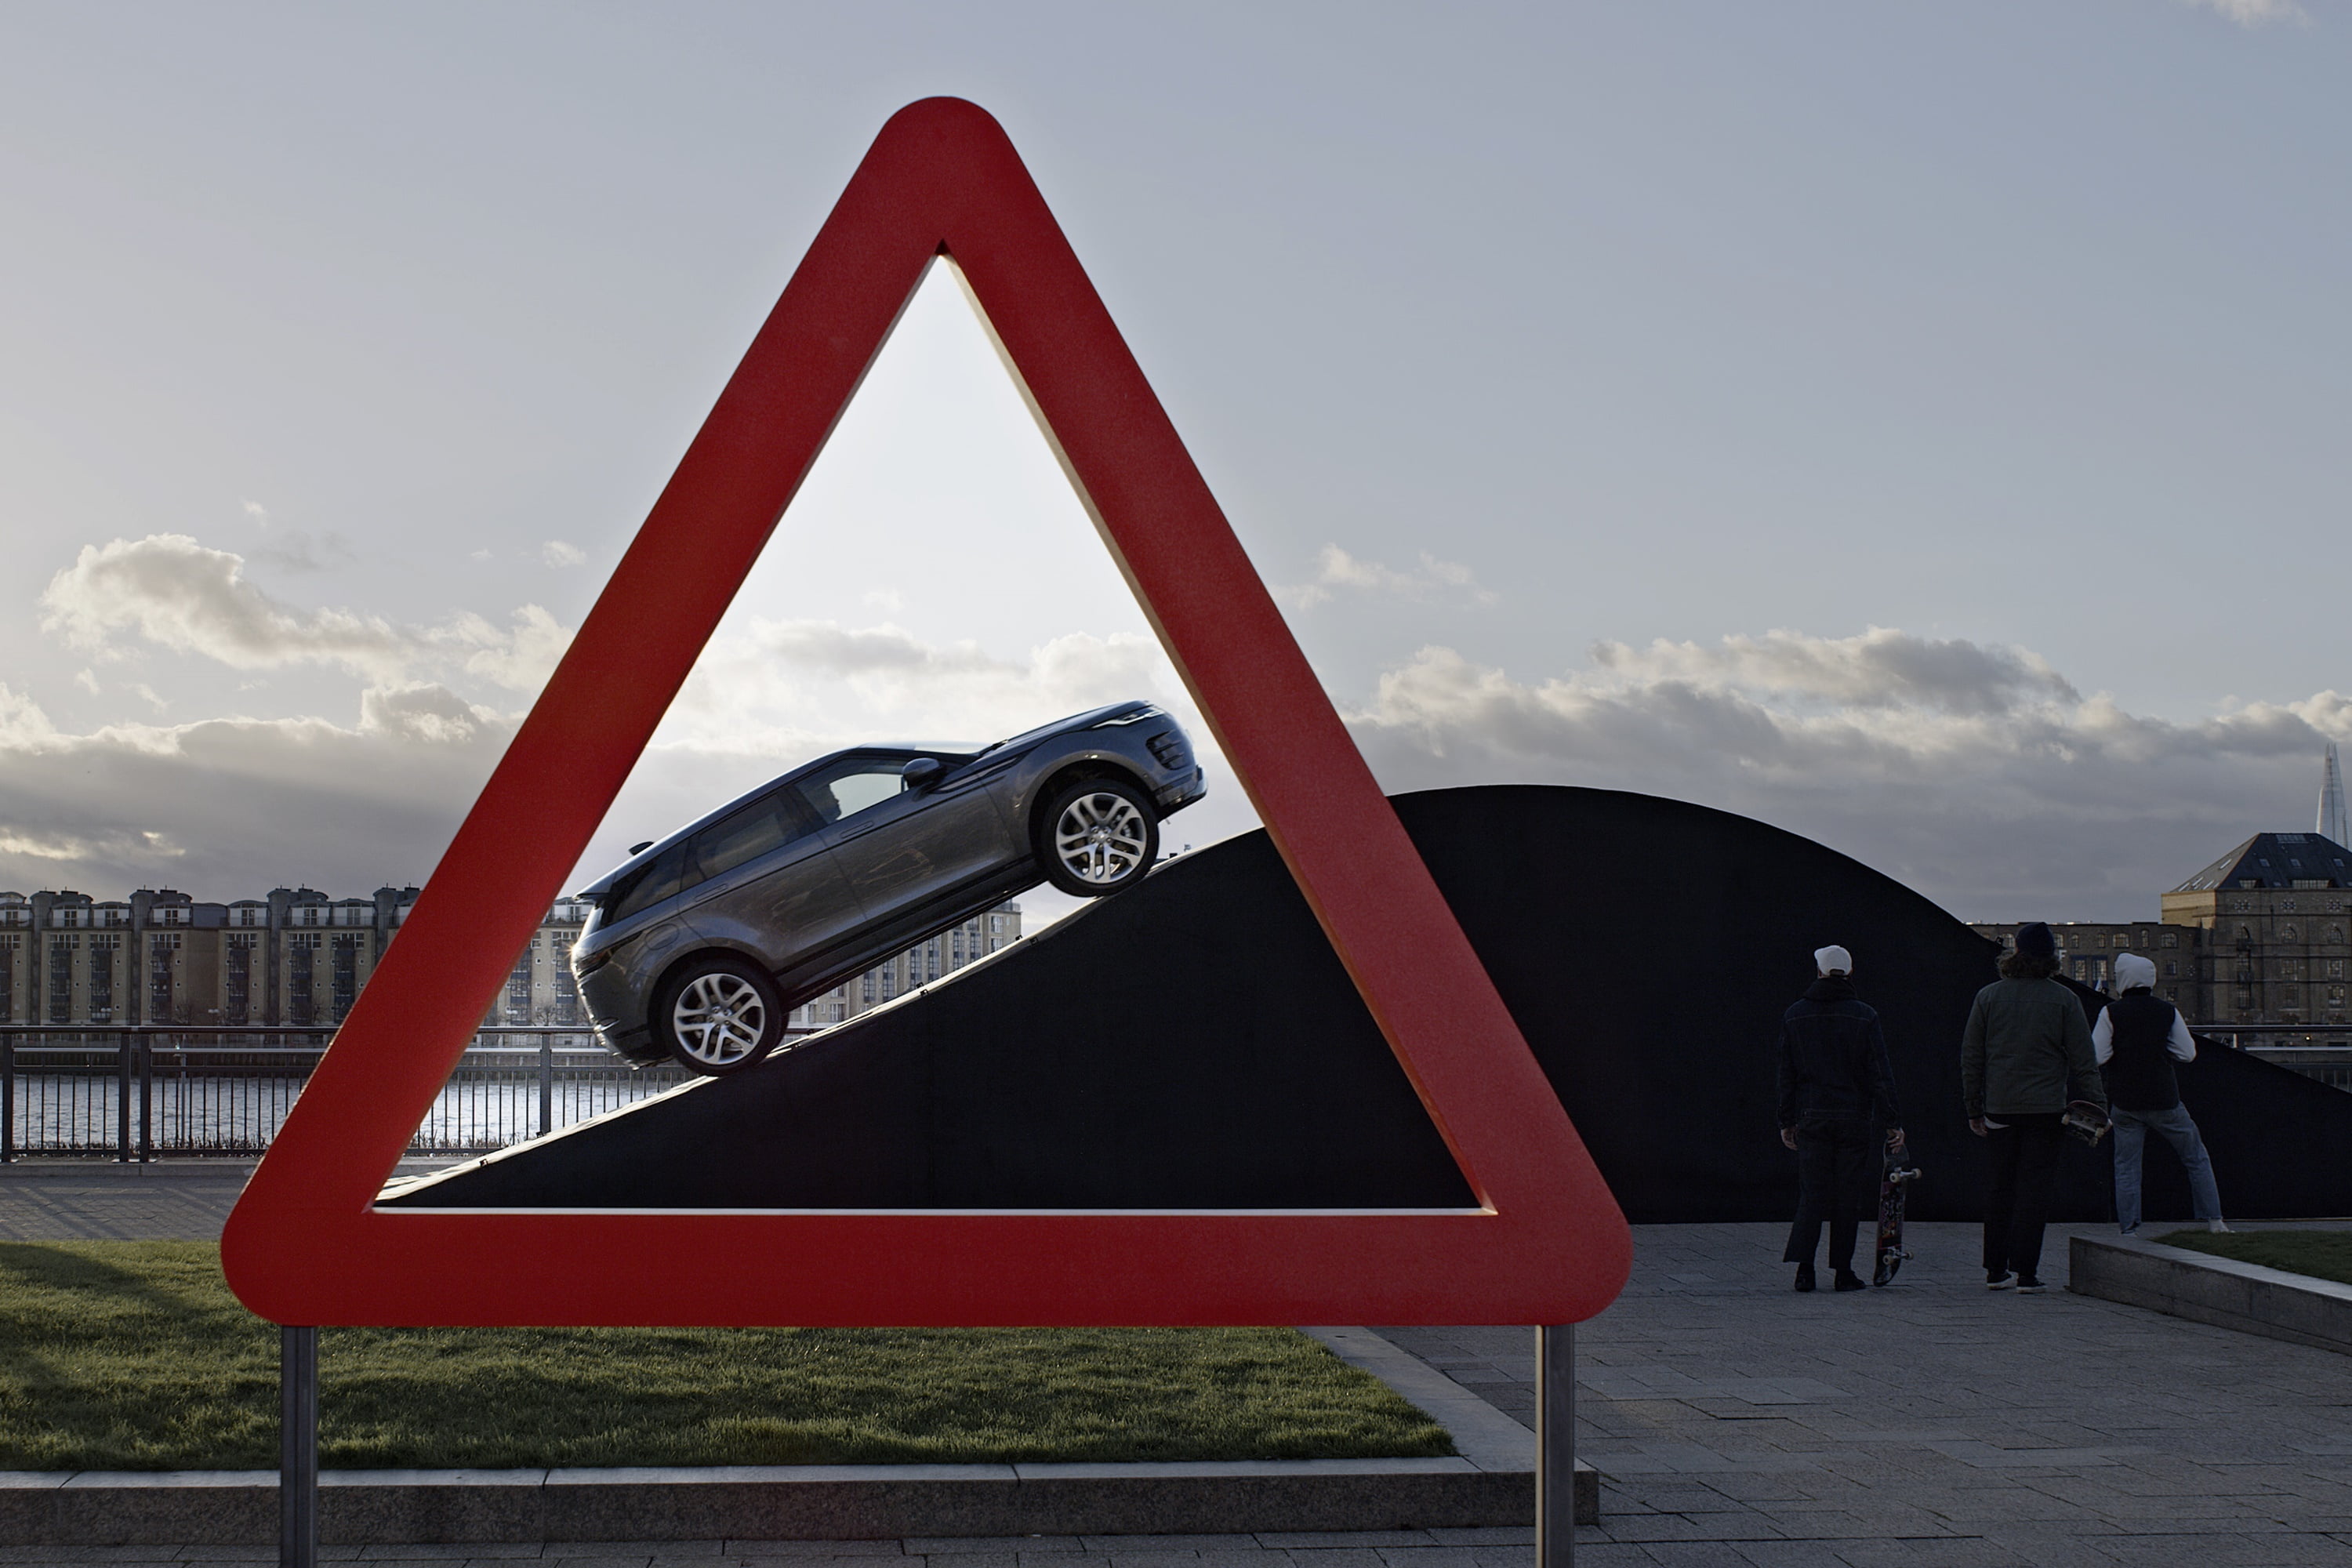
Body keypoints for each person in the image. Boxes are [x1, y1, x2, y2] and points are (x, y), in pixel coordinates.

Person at [1962, 922, 2106, 1294]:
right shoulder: (2063, 999)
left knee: (1999, 1188)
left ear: (2016, 955)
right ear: (2051, 960)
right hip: (2046, 1109)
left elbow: (1972, 1057)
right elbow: (2083, 1060)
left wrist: (1974, 1107)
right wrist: (2097, 1108)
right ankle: (2026, 1272)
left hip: (2000, 1107)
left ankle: (1995, 1270)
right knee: (2034, 1190)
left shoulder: (1988, 997)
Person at [1777, 944, 1902, 1294]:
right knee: (1847, 1196)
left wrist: (1787, 1120)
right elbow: (1880, 1073)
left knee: (1812, 1194)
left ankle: (1804, 1270)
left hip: (1812, 1115)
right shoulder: (1865, 1015)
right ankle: (1844, 1271)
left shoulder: (1795, 1014)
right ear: (1849, 973)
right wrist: (1893, 1121)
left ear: (1818, 972)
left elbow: (1787, 1074)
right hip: (1854, 1117)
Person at [2095, 952, 2228, 1236]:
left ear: (2123, 981)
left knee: (2127, 1168)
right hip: (2165, 1099)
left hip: (2126, 1102)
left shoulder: (2111, 1013)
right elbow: (2188, 1053)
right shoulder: (2167, 1011)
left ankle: (2129, 1228)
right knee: (2195, 1156)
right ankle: (2215, 1220)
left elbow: (2098, 1055)